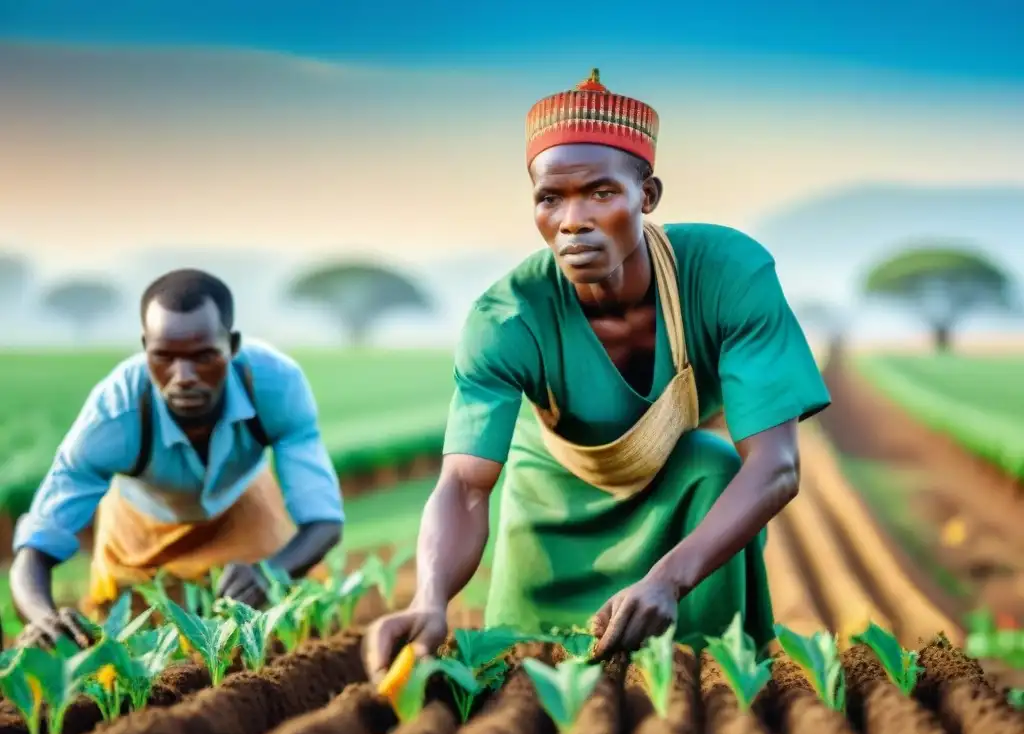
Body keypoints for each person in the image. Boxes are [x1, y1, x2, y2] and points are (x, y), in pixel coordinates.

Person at [363, 68, 830, 680]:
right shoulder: (506, 319)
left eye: (601, 193)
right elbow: (465, 485)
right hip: (551, 492)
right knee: (524, 687)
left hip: (678, 490)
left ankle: (705, 684)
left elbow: (777, 464)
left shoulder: (727, 276)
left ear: (649, 195)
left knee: (711, 473)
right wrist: (429, 598)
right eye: (550, 198)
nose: (572, 220)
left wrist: (668, 579)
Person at [10, 269, 344, 649]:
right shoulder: (115, 416)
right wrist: (42, 617)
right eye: (163, 357)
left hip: (243, 511)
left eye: (203, 357)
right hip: (139, 531)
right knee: (128, 654)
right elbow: (36, 544)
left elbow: (323, 523)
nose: (182, 376)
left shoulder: (275, 386)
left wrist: (269, 573)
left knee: (275, 639)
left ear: (232, 346)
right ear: (144, 348)